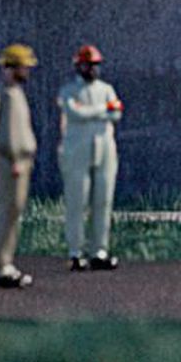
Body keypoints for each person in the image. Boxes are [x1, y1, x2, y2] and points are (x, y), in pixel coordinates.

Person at [55, 42, 123, 270]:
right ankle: (76, 251)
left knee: (103, 201)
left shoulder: (106, 89)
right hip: (77, 151)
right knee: (77, 202)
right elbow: (75, 112)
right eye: (87, 65)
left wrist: (96, 112)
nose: (91, 69)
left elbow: (116, 113)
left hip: (104, 150)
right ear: (78, 67)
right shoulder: (68, 91)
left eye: (94, 65)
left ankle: (99, 251)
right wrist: (102, 111)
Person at [0, 42, 38, 289]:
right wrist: (15, 159)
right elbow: (7, 133)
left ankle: (4, 263)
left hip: (16, 161)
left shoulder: (10, 93)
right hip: (12, 163)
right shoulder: (7, 96)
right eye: (23, 67)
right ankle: (0, 266)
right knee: (8, 213)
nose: (26, 71)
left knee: (12, 213)